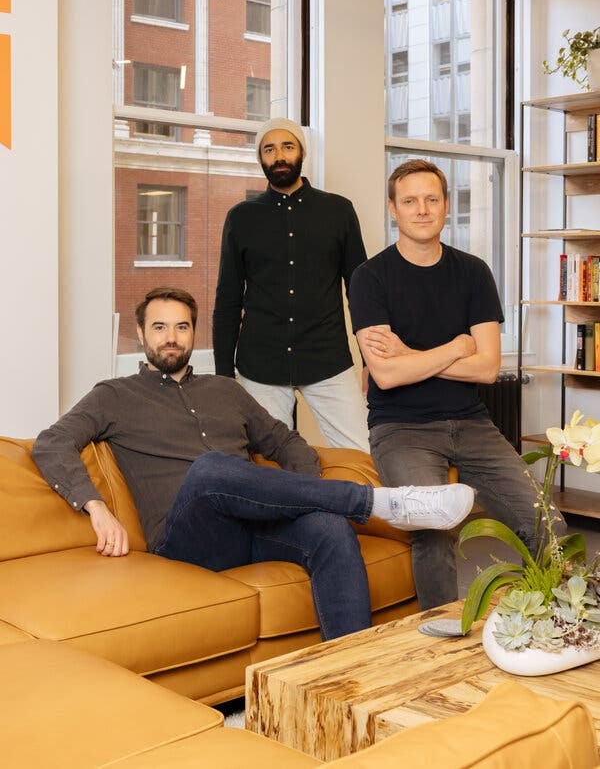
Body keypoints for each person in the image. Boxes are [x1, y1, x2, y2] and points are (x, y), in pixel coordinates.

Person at [32, 286, 474, 641]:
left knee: (330, 529)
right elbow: (52, 443)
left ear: (194, 334)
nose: (171, 336)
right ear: (141, 334)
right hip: (188, 540)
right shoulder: (114, 395)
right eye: (160, 327)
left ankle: (349, 668)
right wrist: (96, 507)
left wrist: (308, 499)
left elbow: (286, 442)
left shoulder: (226, 391)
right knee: (210, 468)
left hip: (254, 529)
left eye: (182, 327)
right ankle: (381, 502)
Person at [349, 159, 567, 610]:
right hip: (401, 429)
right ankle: (437, 642)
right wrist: (454, 348)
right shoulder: (370, 278)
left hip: (472, 423)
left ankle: (552, 622)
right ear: (393, 209)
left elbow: (487, 368)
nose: (422, 210)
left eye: (432, 199)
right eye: (410, 201)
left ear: (447, 206)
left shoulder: (473, 272)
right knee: (431, 529)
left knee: (549, 524)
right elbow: (385, 376)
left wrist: (410, 354)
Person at [212, 117, 369, 451]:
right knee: (266, 466)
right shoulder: (240, 218)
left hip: (328, 360)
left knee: (362, 454)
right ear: (261, 159)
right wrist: (224, 376)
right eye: (269, 149)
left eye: (287, 146)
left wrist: (372, 361)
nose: (279, 155)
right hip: (260, 367)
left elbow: (360, 291)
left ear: (301, 152)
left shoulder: (339, 211)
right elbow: (227, 300)